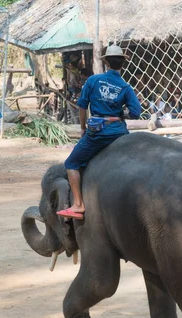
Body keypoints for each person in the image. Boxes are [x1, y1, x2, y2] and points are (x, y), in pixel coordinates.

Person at [56, 45, 141, 220]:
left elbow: (82, 106)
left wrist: (82, 128)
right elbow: (136, 112)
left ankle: (78, 204)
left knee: (71, 163)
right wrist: (119, 115)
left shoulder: (93, 81)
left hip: (98, 133)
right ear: (122, 64)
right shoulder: (125, 87)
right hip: (118, 132)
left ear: (107, 62)